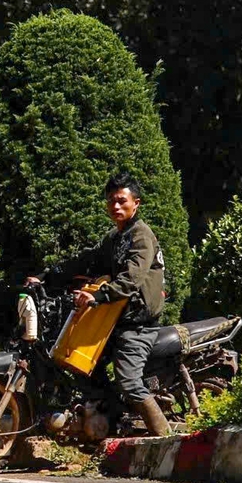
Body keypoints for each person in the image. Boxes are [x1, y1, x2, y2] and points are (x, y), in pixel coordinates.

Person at [44, 172, 173, 436]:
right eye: (111, 201)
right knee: (79, 365)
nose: (116, 206)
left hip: (138, 323)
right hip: (113, 320)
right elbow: (88, 260)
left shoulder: (141, 236)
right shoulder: (115, 237)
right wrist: (47, 276)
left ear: (135, 203)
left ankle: (165, 438)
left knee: (128, 381)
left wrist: (98, 296)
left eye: (122, 200)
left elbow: (132, 279)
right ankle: (110, 423)